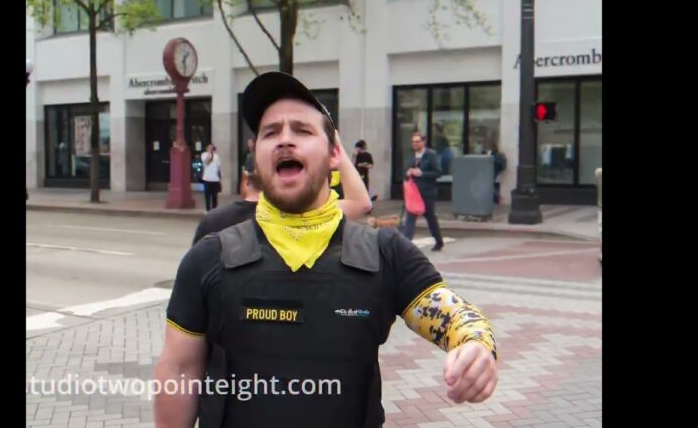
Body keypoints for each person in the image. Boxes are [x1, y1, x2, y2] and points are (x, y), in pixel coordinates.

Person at [155, 72, 498, 428]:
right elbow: (179, 370)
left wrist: (476, 346)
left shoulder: (385, 253)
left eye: (302, 130)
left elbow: (456, 317)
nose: (284, 140)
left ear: (335, 154)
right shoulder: (208, 258)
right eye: (270, 133)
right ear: (256, 156)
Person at [192, 132, 373, 246]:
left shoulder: (213, 222)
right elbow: (362, 203)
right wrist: (335, 145)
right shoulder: (302, 215)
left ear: (245, 177)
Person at [401, 133, 444, 251]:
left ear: (423, 142)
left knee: (430, 217)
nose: (414, 144)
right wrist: (407, 173)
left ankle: (439, 241)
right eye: (413, 142)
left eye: (417, 141)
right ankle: (405, 245)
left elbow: (438, 172)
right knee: (410, 218)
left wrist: (422, 173)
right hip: (413, 192)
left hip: (427, 192)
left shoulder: (431, 155)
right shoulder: (411, 155)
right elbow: (405, 171)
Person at [200, 144, 221, 211]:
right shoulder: (204, 155)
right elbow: (206, 162)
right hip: (207, 179)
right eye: (209, 148)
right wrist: (209, 155)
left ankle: (214, 210)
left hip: (215, 179)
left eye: (212, 148)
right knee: (207, 196)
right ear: (206, 148)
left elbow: (219, 167)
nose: (210, 149)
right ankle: (208, 210)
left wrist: (220, 178)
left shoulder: (216, 156)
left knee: (214, 196)